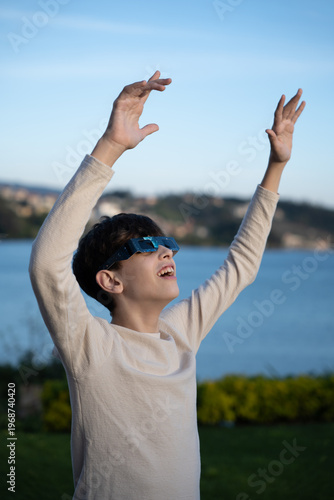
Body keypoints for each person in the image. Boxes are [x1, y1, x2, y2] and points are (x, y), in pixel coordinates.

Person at [29, 71, 305, 500]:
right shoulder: (89, 344)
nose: (166, 252)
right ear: (110, 280)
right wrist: (112, 145)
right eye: (147, 245)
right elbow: (48, 264)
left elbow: (242, 265)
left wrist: (277, 165)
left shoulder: (180, 334)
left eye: (168, 243)